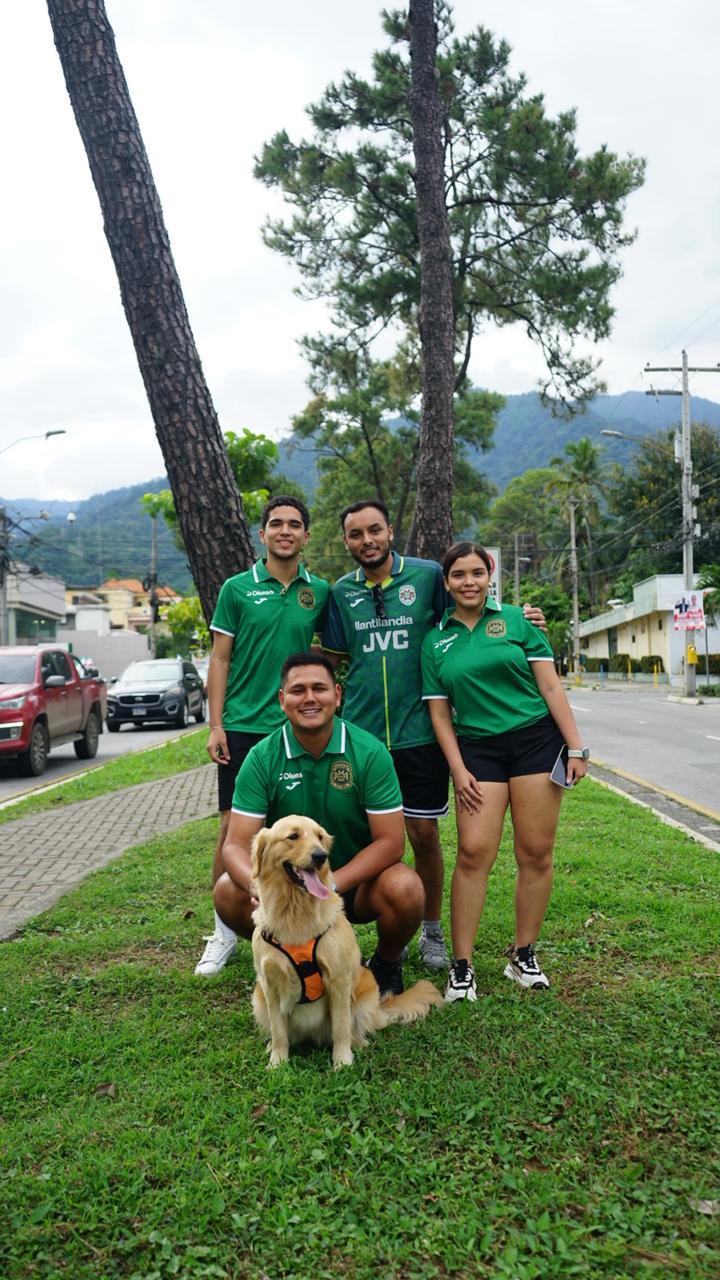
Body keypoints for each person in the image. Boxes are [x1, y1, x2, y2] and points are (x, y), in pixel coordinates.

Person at [322, 500, 547, 973]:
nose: (367, 540)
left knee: (423, 833)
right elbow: (334, 656)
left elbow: (474, 609)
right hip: (363, 737)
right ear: (346, 541)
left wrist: (520, 618)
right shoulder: (340, 593)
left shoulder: (426, 576)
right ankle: (388, 926)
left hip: (419, 732)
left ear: (390, 531)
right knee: (370, 838)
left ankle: (431, 929)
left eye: (375, 530)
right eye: (356, 534)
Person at [421, 541, 588, 1003]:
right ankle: (462, 966)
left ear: (489, 575)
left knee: (535, 852)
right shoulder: (436, 640)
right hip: (477, 750)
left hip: (536, 741)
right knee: (474, 853)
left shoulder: (517, 621)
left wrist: (576, 746)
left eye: (477, 573)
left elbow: (549, 684)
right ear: (448, 583)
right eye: (458, 575)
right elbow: (439, 715)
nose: (468, 582)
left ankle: (523, 954)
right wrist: (457, 769)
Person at [211, 652, 424, 996]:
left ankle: (385, 963)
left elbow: (391, 842)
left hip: (352, 883)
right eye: (297, 690)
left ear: (337, 695)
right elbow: (236, 844)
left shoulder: (368, 752)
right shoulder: (263, 757)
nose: (309, 698)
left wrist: (331, 886)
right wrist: (258, 888)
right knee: (226, 890)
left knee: (406, 888)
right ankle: (290, 958)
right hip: (286, 883)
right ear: (282, 700)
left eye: (319, 688)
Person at [195, 496, 330, 976]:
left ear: (306, 535)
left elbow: (336, 651)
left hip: (299, 726)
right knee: (235, 826)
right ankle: (222, 932)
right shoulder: (236, 588)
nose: (286, 531)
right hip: (246, 726)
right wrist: (217, 724)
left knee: (299, 831)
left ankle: (306, 923)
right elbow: (220, 658)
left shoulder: (321, 592)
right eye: (276, 524)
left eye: (295, 524)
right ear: (263, 534)